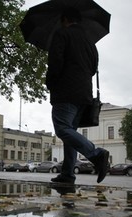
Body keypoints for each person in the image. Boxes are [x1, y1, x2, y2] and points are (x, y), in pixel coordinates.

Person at [46, 7, 109, 184]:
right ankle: (67, 174)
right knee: (70, 134)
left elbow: (55, 63)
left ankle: (96, 155)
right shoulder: (91, 43)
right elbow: (93, 69)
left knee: (62, 129)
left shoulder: (62, 34)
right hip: (84, 95)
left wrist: (50, 83)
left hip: (65, 92)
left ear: (65, 19)